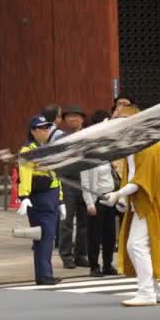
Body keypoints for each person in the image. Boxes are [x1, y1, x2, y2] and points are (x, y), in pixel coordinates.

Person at [101, 106, 160, 306]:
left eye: (120, 120)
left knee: (136, 245)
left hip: (151, 203)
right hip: (142, 202)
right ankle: (154, 290)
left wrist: (118, 194)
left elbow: (142, 180)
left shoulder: (146, 145)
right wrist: (121, 199)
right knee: (143, 246)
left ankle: (147, 292)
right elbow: (132, 177)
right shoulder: (134, 145)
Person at [17, 116, 66, 285]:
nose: (45, 130)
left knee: (48, 237)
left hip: (51, 196)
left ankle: (45, 273)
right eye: (41, 128)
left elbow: (56, 176)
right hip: (39, 197)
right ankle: (44, 275)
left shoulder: (47, 148)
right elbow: (25, 174)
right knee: (44, 237)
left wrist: (60, 200)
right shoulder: (28, 150)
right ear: (32, 131)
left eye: (47, 127)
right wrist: (24, 196)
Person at [81, 110, 118, 277]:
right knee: (94, 235)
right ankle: (94, 266)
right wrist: (89, 203)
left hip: (110, 197)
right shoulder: (88, 154)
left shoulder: (107, 152)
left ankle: (108, 264)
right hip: (96, 199)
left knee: (110, 234)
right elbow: (85, 183)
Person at [58, 105, 89, 268]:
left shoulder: (90, 136)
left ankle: (81, 254)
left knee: (84, 221)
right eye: (69, 116)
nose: (72, 119)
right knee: (67, 221)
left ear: (83, 119)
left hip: (86, 183)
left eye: (76, 116)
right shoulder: (62, 139)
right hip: (68, 182)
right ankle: (66, 256)